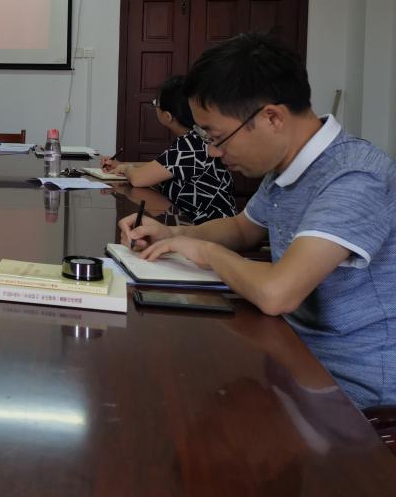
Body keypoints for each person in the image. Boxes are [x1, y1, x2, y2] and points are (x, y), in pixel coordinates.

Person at [118, 33, 396, 408]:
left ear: (272, 117)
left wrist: (205, 252)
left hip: (354, 392)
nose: (213, 152)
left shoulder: (355, 177)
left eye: (217, 136)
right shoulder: (287, 167)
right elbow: (241, 228)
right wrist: (172, 233)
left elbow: (278, 292)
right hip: (293, 356)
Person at [101, 75, 236, 222]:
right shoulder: (197, 137)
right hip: (198, 222)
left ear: (167, 116)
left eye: (156, 103)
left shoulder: (189, 145)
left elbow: (138, 179)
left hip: (207, 226)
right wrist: (122, 164)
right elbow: (163, 168)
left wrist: (126, 169)